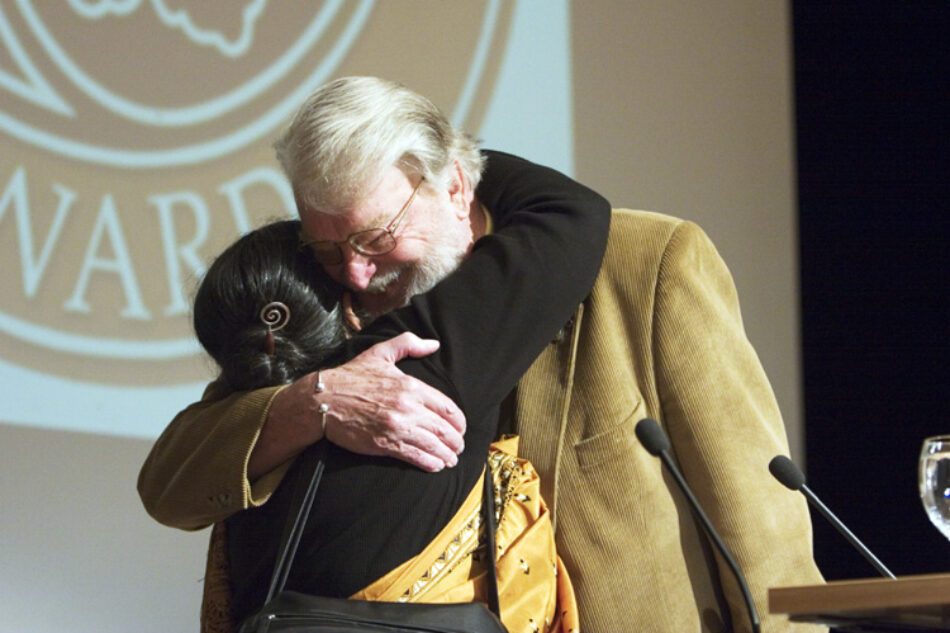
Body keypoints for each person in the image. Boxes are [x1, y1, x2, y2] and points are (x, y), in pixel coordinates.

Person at [139, 76, 826, 633]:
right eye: (328, 248)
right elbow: (171, 477)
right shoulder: (336, 306)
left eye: (375, 237)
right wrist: (314, 402)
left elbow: (757, 519)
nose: (353, 273)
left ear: (456, 188)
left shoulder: (646, 266)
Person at [192, 152, 609, 626]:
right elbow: (569, 214)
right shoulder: (411, 366)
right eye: (332, 257)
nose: (358, 271)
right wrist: (440, 159)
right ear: (350, 310)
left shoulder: (242, 456)